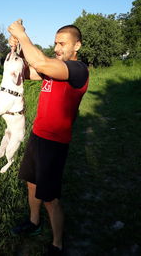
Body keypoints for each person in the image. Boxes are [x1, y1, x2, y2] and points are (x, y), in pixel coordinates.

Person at [8, 20, 89, 256]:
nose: (57, 48)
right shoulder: (54, 69)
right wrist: (17, 48)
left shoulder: (77, 70)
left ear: (77, 46)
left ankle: (57, 245)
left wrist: (23, 35)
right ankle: (34, 223)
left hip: (55, 144)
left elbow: (41, 62)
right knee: (31, 183)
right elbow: (26, 70)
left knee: (50, 198)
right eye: (55, 43)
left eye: (62, 43)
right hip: (37, 136)